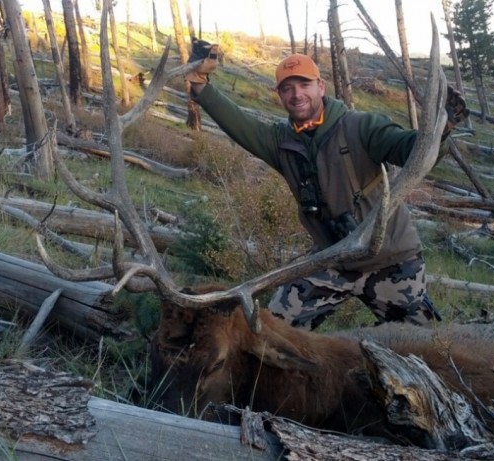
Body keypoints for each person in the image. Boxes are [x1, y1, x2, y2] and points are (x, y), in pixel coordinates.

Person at [184, 41, 469, 331]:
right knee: (275, 333)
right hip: (333, 260)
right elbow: (240, 123)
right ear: (280, 95)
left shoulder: (362, 127)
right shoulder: (280, 143)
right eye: (288, 88)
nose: (297, 94)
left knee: (425, 346)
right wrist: (200, 84)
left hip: (391, 261)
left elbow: (409, 149)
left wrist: (440, 130)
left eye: (304, 85)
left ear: (321, 87)